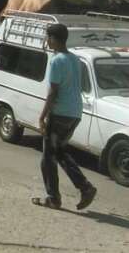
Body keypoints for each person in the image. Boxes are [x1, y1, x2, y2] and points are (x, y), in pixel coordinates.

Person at [32, 24, 97, 210]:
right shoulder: (74, 59)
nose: (46, 41)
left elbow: (53, 92)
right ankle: (84, 188)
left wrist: (42, 117)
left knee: (48, 158)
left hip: (60, 114)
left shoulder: (57, 60)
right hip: (75, 113)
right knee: (58, 152)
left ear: (53, 39)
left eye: (47, 37)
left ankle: (55, 198)